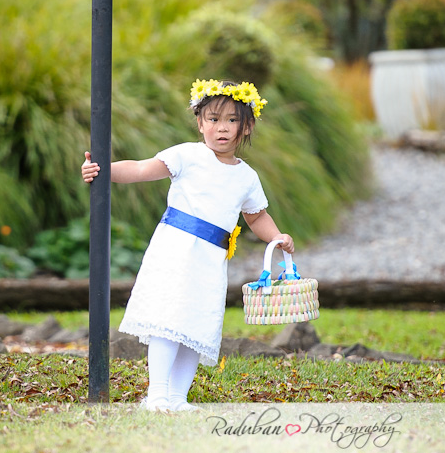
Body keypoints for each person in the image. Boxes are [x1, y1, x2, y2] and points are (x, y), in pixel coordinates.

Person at [81, 78, 294, 413]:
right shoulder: (187, 155)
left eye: (232, 120)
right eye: (213, 119)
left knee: (196, 323)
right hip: (176, 249)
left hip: (211, 258)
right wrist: (103, 170)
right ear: (200, 122)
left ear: (248, 126)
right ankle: (158, 395)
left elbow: (256, 217)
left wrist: (278, 237)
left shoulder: (246, 177)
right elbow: (140, 169)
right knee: (170, 318)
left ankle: (178, 397)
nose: (221, 128)